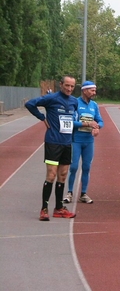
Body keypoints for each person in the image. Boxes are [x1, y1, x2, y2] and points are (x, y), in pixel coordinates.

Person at [25, 75, 78, 221]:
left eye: (72, 86)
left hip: (67, 143)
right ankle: (44, 209)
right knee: (51, 175)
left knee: (63, 175)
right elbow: (30, 104)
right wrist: (42, 118)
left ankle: (59, 208)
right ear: (61, 84)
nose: (69, 89)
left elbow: (73, 120)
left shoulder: (74, 101)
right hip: (53, 142)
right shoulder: (52, 98)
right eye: (67, 85)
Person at [63, 81, 104, 204]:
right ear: (85, 90)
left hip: (89, 142)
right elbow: (70, 122)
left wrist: (97, 128)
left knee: (86, 167)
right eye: (92, 90)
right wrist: (86, 124)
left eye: (95, 90)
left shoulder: (94, 105)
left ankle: (83, 193)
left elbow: (100, 121)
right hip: (76, 140)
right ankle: (69, 192)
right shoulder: (75, 103)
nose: (94, 93)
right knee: (74, 167)